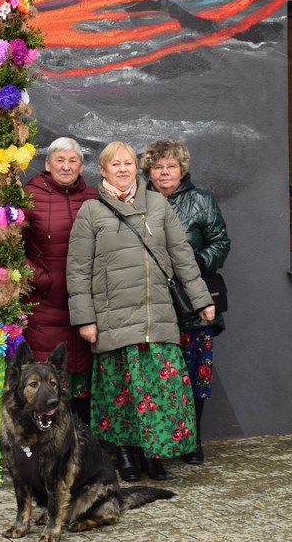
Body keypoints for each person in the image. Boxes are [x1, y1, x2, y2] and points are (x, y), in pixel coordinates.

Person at [67, 141, 214, 482]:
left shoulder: (157, 204)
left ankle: (153, 454)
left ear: (136, 168)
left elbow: (182, 256)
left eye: (128, 163)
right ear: (102, 170)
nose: (122, 169)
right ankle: (125, 455)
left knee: (159, 392)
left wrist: (202, 300)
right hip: (113, 320)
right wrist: (85, 319)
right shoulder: (91, 211)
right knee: (120, 394)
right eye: (114, 164)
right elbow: (77, 270)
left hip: (155, 317)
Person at [142, 138, 230, 465]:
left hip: (192, 303)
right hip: (152, 304)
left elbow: (220, 242)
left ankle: (192, 438)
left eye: (171, 166)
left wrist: (194, 263)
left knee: (195, 376)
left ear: (182, 169)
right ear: (148, 171)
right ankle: (160, 440)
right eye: (158, 167)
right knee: (156, 377)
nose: (165, 172)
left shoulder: (201, 200)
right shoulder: (137, 201)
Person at [23, 138, 98, 423]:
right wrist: (46, 280)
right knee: (49, 383)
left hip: (86, 307)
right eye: (60, 160)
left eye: (73, 161)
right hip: (45, 308)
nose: (66, 166)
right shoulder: (30, 196)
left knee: (83, 387)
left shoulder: (93, 197)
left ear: (81, 166)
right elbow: (10, 249)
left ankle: (79, 444)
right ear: (47, 164)